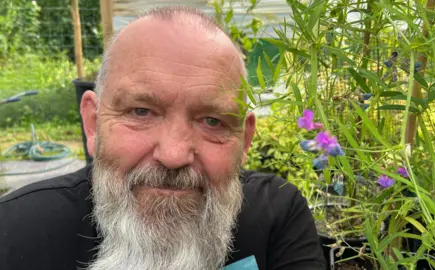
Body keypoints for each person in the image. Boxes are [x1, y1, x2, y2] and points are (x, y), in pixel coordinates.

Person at [0, 6, 325, 270]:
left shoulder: (277, 218)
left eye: (212, 121)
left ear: (245, 140)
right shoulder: (16, 232)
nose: (173, 154)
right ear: (93, 123)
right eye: (141, 112)